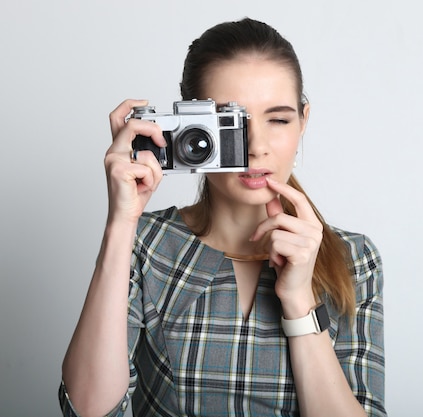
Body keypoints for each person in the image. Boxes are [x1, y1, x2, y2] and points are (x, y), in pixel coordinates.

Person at [59, 17, 385, 417]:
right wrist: (121, 223)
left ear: (304, 122)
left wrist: (299, 299)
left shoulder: (354, 258)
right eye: (231, 123)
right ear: (189, 129)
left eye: (278, 119)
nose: (256, 146)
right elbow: (89, 411)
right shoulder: (147, 243)